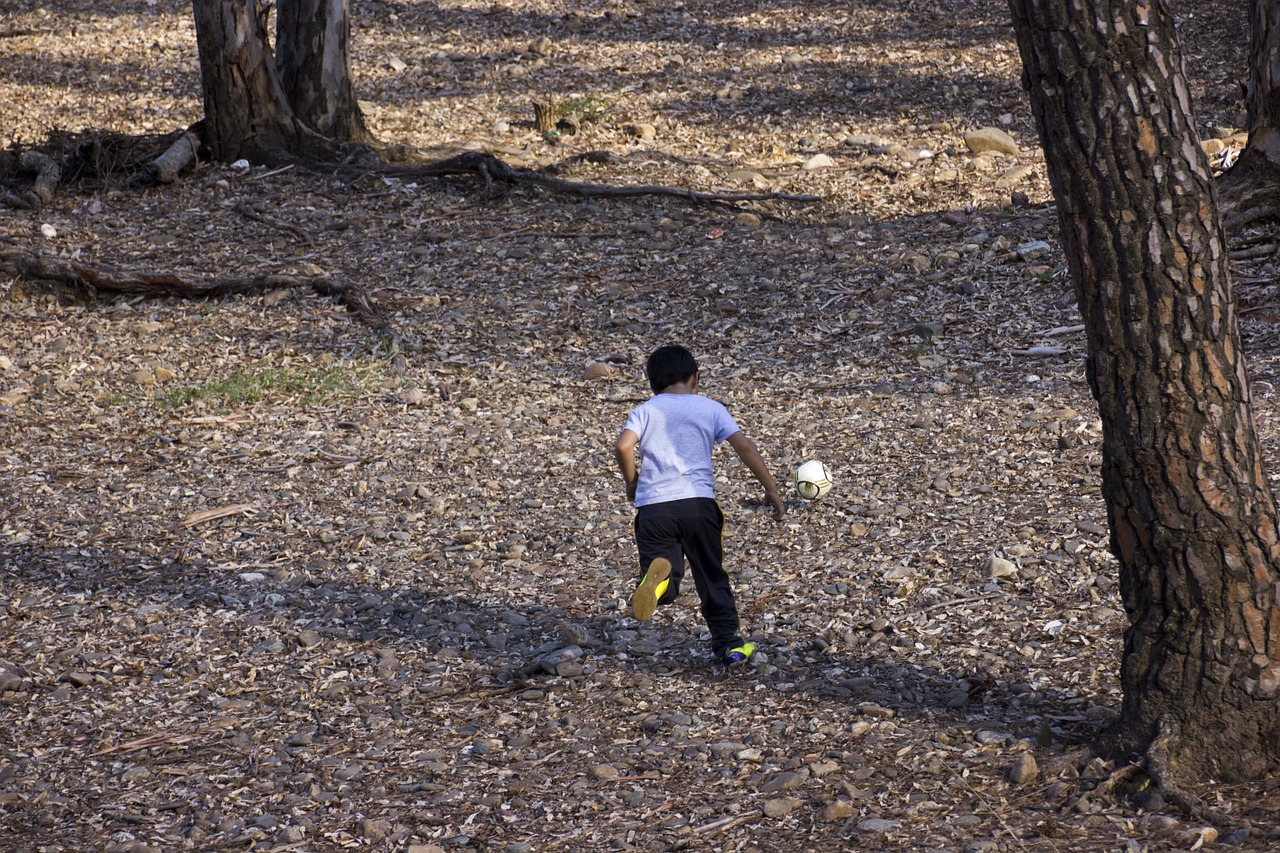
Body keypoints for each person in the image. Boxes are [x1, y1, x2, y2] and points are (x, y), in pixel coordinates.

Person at [614, 345, 786, 667]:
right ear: (696, 378)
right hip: (698, 505)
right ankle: (729, 646)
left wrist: (632, 482)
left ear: (652, 384)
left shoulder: (646, 410)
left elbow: (623, 445)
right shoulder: (710, 408)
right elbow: (745, 447)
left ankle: (658, 585)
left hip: (655, 509)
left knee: (665, 573)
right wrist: (771, 489)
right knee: (711, 575)